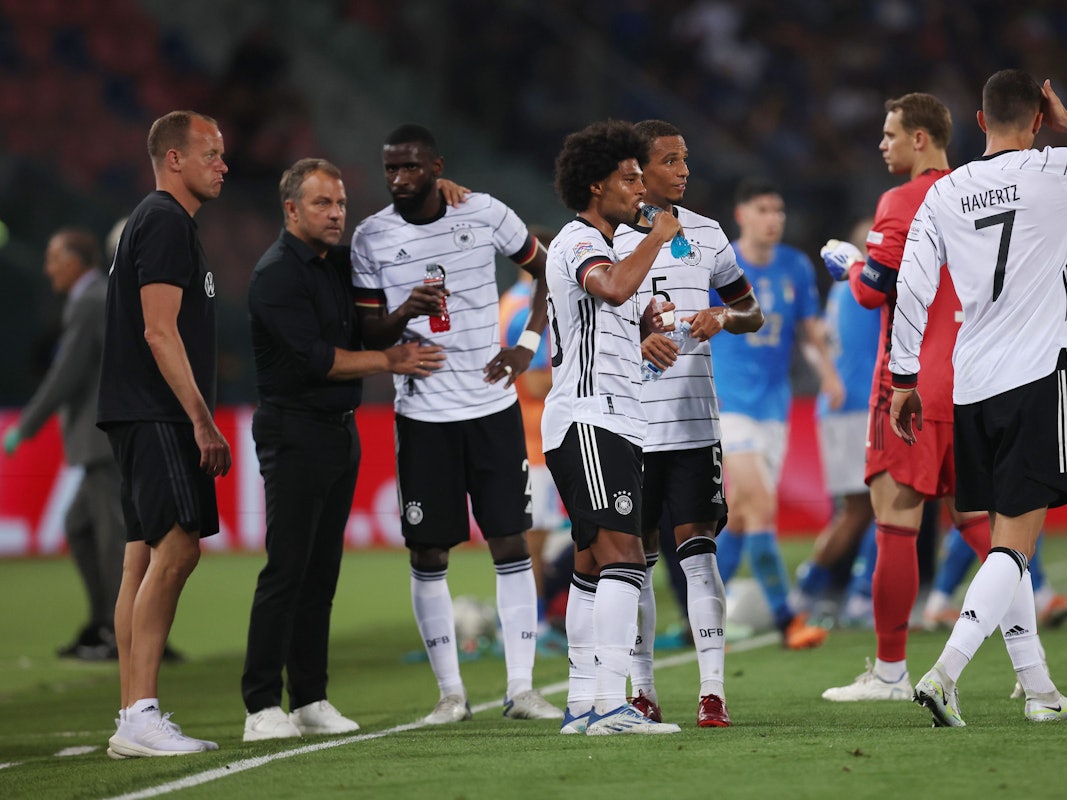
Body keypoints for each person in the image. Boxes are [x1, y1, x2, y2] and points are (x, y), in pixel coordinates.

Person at [819, 91, 1059, 709]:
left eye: (891, 134)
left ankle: (894, 671)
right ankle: (1034, 678)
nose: (883, 145)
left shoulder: (917, 198)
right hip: (985, 379)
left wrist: (849, 265)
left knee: (896, 526)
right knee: (993, 535)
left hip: (921, 383)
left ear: (922, 138)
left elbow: (878, 292)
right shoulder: (1025, 185)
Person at [351, 124, 562, 724]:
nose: (399, 179)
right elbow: (369, 332)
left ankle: (521, 690)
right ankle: (450, 696)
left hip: (492, 408)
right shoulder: (371, 236)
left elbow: (551, 271)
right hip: (422, 416)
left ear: (436, 166)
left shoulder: (486, 212)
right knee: (428, 551)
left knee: (510, 543)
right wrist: (404, 314)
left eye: (412, 167)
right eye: (391, 168)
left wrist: (526, 344)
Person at [241, 158, 445, 741]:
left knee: (321, 573)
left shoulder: (337, 264)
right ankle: (260, 705)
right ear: (290, 210)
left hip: (337, 430)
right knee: (287, 569)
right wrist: (392, 359)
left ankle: (309, 697)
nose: (336, 214)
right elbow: (319, 360)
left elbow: (358, 332)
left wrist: (403, 312)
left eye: (339, 204)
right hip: (293, 429)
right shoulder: (276, 275)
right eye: (322, 204)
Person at [890, 70, 1067, 727]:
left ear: (976, 118)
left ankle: (1040, 688)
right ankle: (944, 673)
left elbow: (911, 289)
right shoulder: (1055, 170)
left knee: (1002, 537)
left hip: (970, 381)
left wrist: (903, 380)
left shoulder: (944, 193)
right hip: (1034, 374)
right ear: (1040, 116)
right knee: (1015, 543)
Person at [613, 119, 763, 728]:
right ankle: (642, 691)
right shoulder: (606, 239)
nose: (684, 171)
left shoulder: (706, 234)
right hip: (629, 425)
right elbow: (584, 328)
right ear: (637, 171)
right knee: (637, 561)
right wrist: (635, 341)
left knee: (698, 557)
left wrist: (722, 318)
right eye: (670, 161)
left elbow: (751, 310)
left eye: (685, 160)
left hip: (694, 424)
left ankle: (712, 694)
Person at [97, 111, 232, 758]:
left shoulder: (154, 221)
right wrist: (200, 417)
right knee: (176, 552)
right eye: (210, 153)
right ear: (173, 159)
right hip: (156, 413)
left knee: (141, 560)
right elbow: (158, 330)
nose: (223, 164)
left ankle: (132, 713)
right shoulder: (167, 222)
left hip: (134, 411)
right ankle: (141, 712)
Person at [541, 119, 682, 736]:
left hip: (610, 419)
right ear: (596, 187)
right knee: (626, 555)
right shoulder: (578, 242)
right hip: (590, 419)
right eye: (629, 179)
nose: (640, 191)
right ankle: (610, 704)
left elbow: (617, 307)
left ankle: (581, 705)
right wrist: (661, 237)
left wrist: (645, 332)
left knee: (594, 564)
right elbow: (615, 287)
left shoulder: (606, 244)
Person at [709, 177, 838, 649]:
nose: (774, 219)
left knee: (741, 517)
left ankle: (699, 616)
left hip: (776, 409)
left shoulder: (795, 267)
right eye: (763, 209)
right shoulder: (720, 265)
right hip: (729, 405)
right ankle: (788, 619)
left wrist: (828, 373)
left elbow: (808, 330)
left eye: (779, 209)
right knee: (761, 505)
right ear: (742, 215)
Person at [2, 227, 124, 661]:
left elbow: (65, 374)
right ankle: (103, 624)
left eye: (55, 259)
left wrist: (26, 426)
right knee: (81, 528)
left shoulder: (90, 300)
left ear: (77, 261)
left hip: (102, 437)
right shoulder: (95, 297)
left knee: (113, 539)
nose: (48, 268)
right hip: (101, 438)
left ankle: (120, 632)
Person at [793, 218, 880, 627]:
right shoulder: (869, 286)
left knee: (866, 509)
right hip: (857, 408)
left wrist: (828, 376)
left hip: (845, 407)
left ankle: (823, 592)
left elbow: (818, 339)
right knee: (869, 509)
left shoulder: (842, 287)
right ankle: (824, 593)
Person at [498, 224, 569, 651]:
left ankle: (540, 616)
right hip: (533, 439)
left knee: (542, 536)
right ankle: (534, 623)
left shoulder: (511, 301)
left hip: (532, 435)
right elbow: (539, 381)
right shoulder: (526, 305)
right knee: (535, 538)